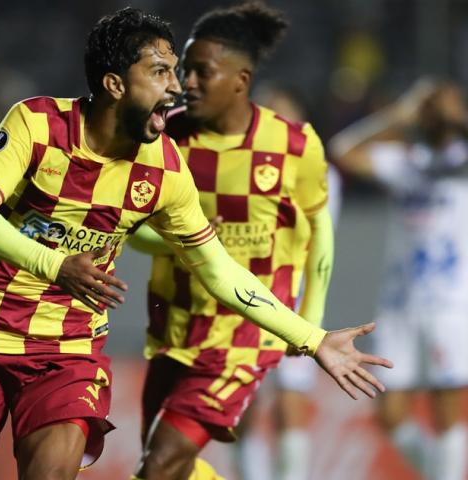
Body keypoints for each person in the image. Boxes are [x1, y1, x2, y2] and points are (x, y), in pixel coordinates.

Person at [0, 7, 390, 480]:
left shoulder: (165, 168)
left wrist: (313, 339)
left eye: (175, 72)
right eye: (160, 72)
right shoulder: (37, 124)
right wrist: (56, 265)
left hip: (69, 347)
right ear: (116, 84)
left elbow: (220, 272)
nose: (176, 87)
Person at [127, 4, 341, 479]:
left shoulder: (294, 145)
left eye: (203, 72)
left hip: (246, 337)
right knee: (167, 467)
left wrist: (312, 320)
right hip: (175, 327)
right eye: (185, 70)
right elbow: (132, 228)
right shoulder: (164, 137)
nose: (187, 83)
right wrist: (185, 242)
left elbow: (319, 229)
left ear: (241, 80)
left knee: (157, 466)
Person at [330, 78, 468, 480]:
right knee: (389, 412)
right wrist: (398, 115)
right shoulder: (408, 162)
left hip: (452, 304)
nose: (436, 110)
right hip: (399, 303)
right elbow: (344, 151)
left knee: (446, 406)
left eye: (444, 103)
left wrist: (456, 118)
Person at [233, 83, 344, 480]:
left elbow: (317, 246)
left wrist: (310, 321)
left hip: (292, 299)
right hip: (242, 298)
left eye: (282, 113)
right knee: (241, 403)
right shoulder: (237, 165)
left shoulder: (320, 173)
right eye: (266, 112)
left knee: (289, 400)